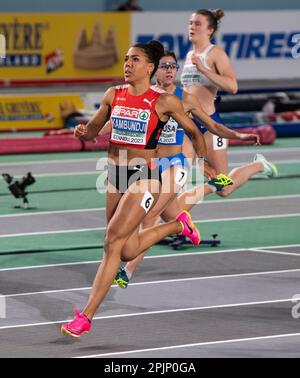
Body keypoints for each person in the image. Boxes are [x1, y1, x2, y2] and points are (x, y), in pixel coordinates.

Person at [61, 40, 212, 338]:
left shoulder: (164, 101)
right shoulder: (112, 95)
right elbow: (93, 131)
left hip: (144, 176)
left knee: (111, 243)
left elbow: (194, 131)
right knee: (126, 249)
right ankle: (177, 226)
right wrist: (83, 131)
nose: (128, 64)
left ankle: (86, 316)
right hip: (116, 174)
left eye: (136, 59)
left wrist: (202, 163)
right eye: (126, 58)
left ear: (150, 67)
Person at [114, 50, 261, 289]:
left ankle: (127, 271)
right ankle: (186, 218)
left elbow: (211, 126)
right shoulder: (145, 96)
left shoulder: (185, 99)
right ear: (153, 70)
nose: (170, 70)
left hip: (176, 165)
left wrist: (239, 136)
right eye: (165, 66)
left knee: (149, 216)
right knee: (169, 214)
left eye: (173, 66)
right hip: (151, 164)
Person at [179, 9, 278, 206]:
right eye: (191, 23)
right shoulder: (190, 54)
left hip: (210, 125)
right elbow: (188, 90)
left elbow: (232, 86)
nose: (192, 27)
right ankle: (174, 225)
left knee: (222, 186)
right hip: (187, 124)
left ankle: (258, 165)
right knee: (177, 175)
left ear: (210, 30)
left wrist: (204, 70)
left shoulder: (215, 54)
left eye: (198, 24)